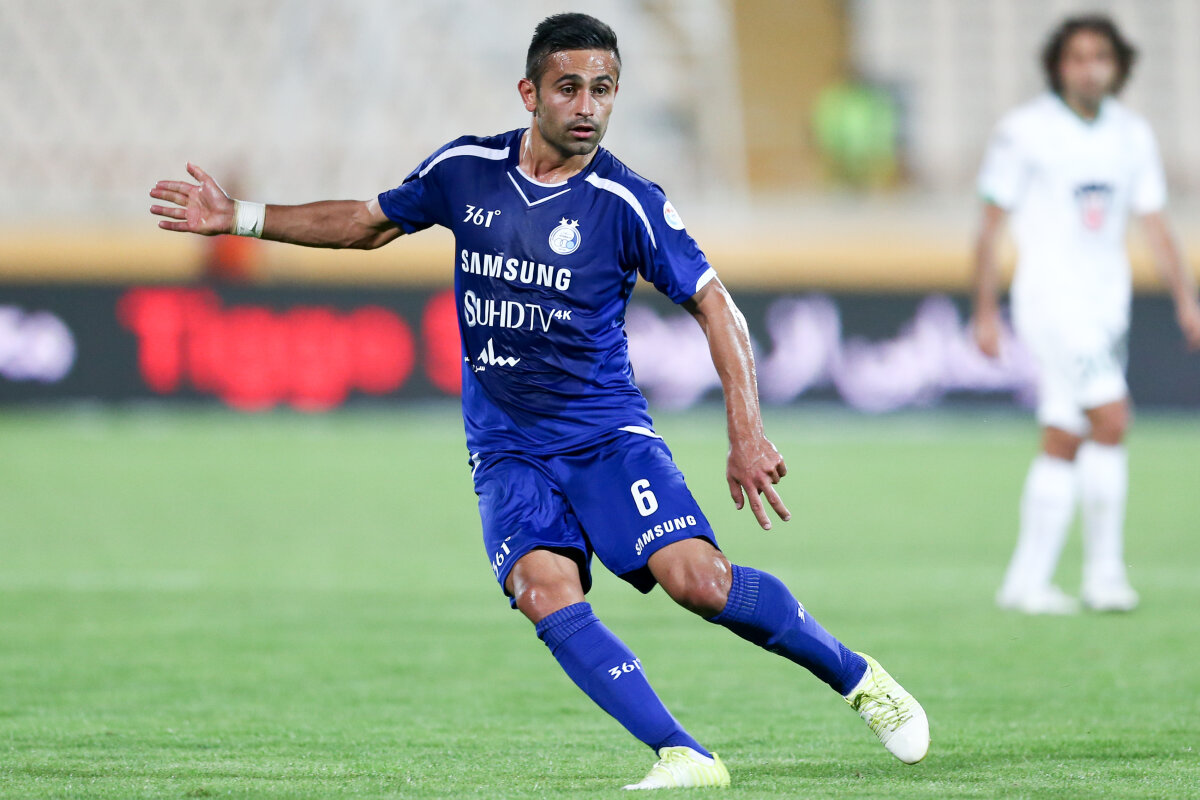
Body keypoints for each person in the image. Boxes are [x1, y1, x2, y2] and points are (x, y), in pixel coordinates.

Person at [150, 13, 929, 789]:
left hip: (604, 437)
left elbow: (715, 305)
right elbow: (365, 223)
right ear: (530, 93)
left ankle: (860, 679)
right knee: (540, 590)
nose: (588, 106)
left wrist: (746, 433)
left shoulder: (626, 201)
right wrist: (239, 217)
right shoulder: (466, 170)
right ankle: (683, 754)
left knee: (699, 581)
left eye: (604, 89)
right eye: (569, 88)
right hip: (506, 446)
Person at [972, 14, 1200, 615]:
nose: (1089, 68)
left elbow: (1155, 223)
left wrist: (1185, 298)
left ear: (1118, 66)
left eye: (1101, 57)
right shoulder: (1025, 132)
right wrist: (984, 311)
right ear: (1058, 67)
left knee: (1064, 433)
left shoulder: (1132, 135)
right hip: (1052, 299)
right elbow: (990, 225)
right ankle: (1105, 575)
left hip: (1106, 305)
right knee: (1112, 418)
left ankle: (1025, 582)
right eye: (1077, 57)